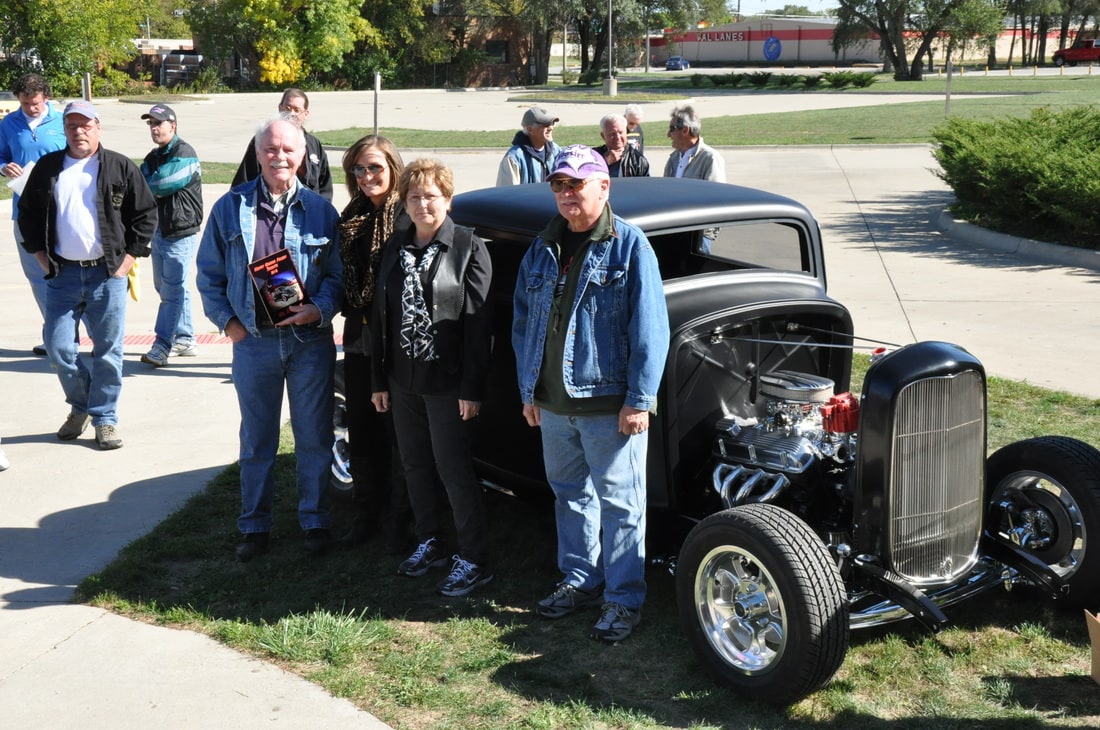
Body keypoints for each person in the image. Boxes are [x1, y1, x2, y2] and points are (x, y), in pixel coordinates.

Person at [511, 144, 670, 642]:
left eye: (575, 183)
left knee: (621, 505)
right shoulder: (542, 247)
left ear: (603, 186)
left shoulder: (629, 245)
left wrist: (640, 399)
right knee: (570, 495)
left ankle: (623, 599)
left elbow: (651, 329)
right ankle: (580, 579)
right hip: (553, 404)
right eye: (559, 184)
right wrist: (529, 391)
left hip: (608, 406)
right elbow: (523, 325)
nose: (566, 193)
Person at [196, 116, 343, 562]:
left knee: (313, 437)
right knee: (257, 440)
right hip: (254, 342)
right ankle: (255, 526)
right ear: (258, 153)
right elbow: (208, 275)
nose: (280, 157)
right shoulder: (230, 207)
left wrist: (319, 308)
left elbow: (337, 277)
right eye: (271, 149)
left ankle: (315, 520)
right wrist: (229, 324)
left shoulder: (321, 211)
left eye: (288, 149)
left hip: (308, 342)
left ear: (303, 155)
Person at [370, 158, 494, 597]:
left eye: (431, 196)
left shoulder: (468, 246)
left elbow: (479, 326)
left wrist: (472, 388)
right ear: (404, 203)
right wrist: (379, 380)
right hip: (402, 380)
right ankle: (431, 541)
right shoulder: (396, 246)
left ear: (448, 199)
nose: (423, 204)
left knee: (453, 470)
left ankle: (474, 559)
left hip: (448, 383)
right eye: (414, 197)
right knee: (414, 465)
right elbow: (380, 317)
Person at [17, 101, 157, 451]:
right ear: (64, 130)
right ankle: (81, 406)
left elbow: (145, 215)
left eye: (86, 125)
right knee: (58, 348)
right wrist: (42, 259)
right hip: (62, 275)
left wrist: (126, 262)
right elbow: (28, 215)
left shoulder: (119, 166)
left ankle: (105, 418)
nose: (79, 132)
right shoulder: (48, 168)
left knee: (108, 351)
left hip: (106, 275)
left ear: (98, 128)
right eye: (72, 126)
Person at [336, 134, 412, 551]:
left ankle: (399, 521)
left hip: (396, 343)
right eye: (359, 169)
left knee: (397, 433)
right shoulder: (353, 216)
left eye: (375, 167)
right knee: (362, 429)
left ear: (393, 168)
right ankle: (366, 514)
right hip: (358, 338)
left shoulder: (407, 216)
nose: (366, 176)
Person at [0, 73, 67, 356]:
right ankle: (55, 333)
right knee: (37, 274)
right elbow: (1, 156)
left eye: (35, 103)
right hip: (25, 210)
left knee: (69, 272)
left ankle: (76, 333)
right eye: (25, 103)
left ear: (46, 98)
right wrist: (3, 167)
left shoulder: (64, 121)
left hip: (62, 209)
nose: (30, 108)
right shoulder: (8, 124)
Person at [139, 104, 204, 367]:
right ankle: (185, 339)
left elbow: (160, 183)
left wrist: (145, 185)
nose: (154, 128)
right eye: (151, 124)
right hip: (160, 230)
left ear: (173, 126)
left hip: (180, 232)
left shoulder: (185, 153)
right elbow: (138, 182)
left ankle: (162, 345)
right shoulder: (153, 156)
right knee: (166, 287)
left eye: (159, 123)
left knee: (172, 291)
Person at [231, 88, 333, 200]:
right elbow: (243, 183)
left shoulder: (314, 145)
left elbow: (325, 187)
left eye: (297, 110)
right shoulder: (264, 140)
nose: (291, 113)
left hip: (309, 207)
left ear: (305, 114)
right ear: (280, 108)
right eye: (287, 108)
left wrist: (320, 208)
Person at [496, 105, 562, 186]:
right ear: (529, 129)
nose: (551, 128)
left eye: (552, 123)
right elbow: (508, 192)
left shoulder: (556, 151)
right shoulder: (514, 158)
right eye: (546, 125)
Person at [664, 104, 726, 182]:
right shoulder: (673, 159)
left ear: (685, 130)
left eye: (672, 129)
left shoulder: (710, 159)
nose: (668, 134)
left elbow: (715, 189)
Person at [594, 114, 650, 178]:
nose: (618, 137)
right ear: (603, 136)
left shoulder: (638, 161)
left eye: (620, 132)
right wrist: (604, 162)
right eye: (612, 134)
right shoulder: (592, 157)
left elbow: (645, 183)